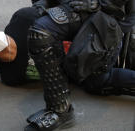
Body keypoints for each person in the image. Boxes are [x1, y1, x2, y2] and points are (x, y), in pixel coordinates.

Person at [25, 0, 135, 131]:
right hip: (71, 7)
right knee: (39, 32)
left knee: (95, 80)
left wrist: (102, 5)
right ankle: (60, 109)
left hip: (108, 18)